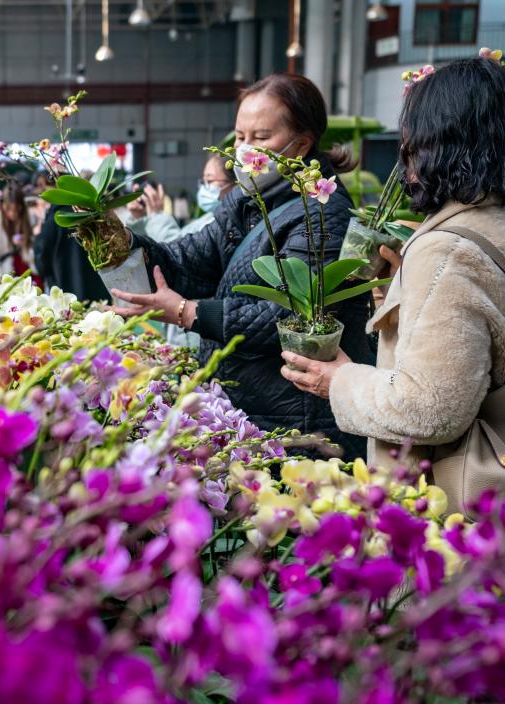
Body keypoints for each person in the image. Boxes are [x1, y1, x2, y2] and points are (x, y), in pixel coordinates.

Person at [280, 58, 505, 470]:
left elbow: (430, 409)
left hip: (462, 502)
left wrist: (339, 382)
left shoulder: (448, 250)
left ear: (435, 139)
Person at [108, 73, 374, 458]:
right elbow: (187, 260)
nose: (244, 149)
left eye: (261, 138)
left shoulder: (323, 215)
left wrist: (188, 313)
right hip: (252, 409)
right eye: (239, 137)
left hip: (300, 419)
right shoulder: (245, 205)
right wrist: (122, 239)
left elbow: (285, 315)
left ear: (302, 143)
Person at [127, 157, 235, 242]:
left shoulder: (223, 225)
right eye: (203, 181)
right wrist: (140, 217)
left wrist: (156, 215)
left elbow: (175, 251)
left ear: (235, 184)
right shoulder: (210, 217)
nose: (203, 186)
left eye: (210, 180)